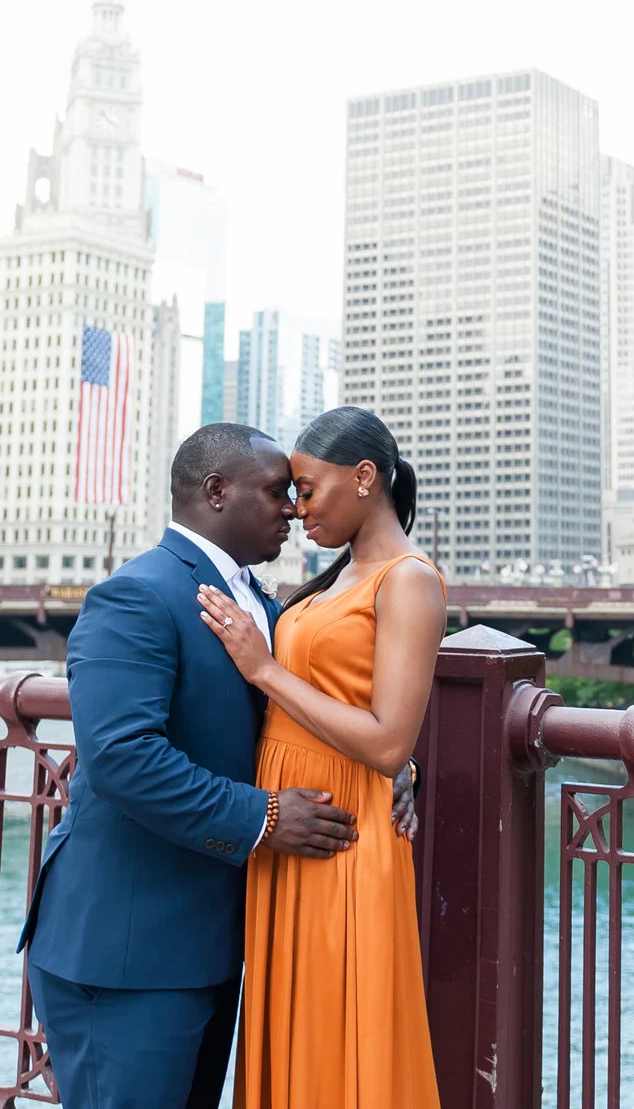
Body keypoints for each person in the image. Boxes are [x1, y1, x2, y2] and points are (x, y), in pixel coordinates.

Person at [18, 424, 370, 1109]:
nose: (293, 510)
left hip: (208, 949)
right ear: (216, 491)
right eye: (276, 492)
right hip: (126, 956)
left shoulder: (262, 605)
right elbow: (122, 757)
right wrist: (266, 817)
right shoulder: (136, 595)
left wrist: (399, 763)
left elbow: (312, 710)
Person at [199, 406, 445, 1107]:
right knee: (289, 1022)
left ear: (365, 477)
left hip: (342, 835)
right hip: (287, 827)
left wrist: (264, 667)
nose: (296, 508)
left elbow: (390, 738)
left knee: (341, 1035)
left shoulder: (408, 579)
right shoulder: (331, 579)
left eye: (308, 488)